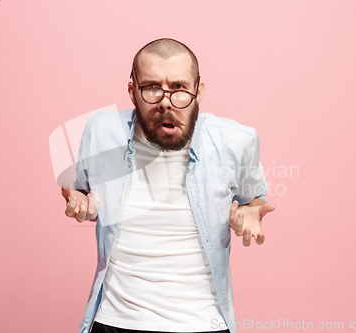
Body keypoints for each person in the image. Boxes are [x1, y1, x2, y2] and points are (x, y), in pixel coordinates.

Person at [61, 38, 276, 333]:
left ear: (198, 90)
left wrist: (252, 209)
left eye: (179, 88)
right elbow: (84, 194)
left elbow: (255, 201)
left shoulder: (236, 142)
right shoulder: (100, 132)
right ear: (132, 91)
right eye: (151, 87)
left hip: (203, 325)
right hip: (114, 322)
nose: (166, 101)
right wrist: (81, 202)